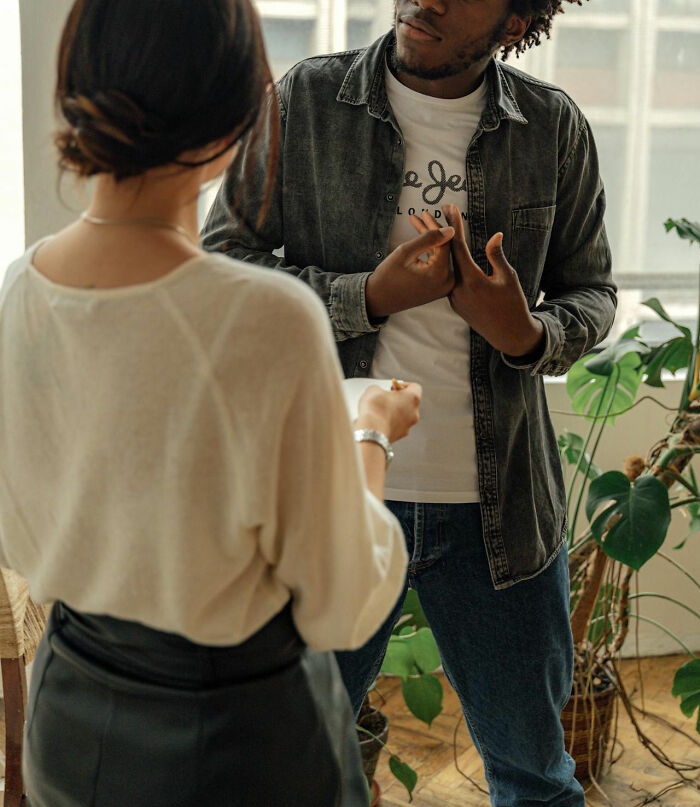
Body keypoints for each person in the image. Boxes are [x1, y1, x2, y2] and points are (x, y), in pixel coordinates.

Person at [0, 1, 453, 805]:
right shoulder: (265, 318)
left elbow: (23, 531)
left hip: (70, 712)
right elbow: (344, 603)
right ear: (230, 123)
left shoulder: (18, 294)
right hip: (235, 740)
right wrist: (370, 431)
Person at [202, 0, 617, 804]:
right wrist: (369, 295)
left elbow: (592, 290)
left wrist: (524, 331)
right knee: (291, 773)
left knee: (538, 778)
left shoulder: (551, 127)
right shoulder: (306, 102)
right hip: (336, 500)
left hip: (500, 519)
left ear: (515, 17)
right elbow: (226, 267)